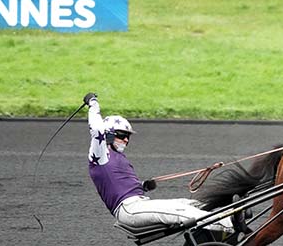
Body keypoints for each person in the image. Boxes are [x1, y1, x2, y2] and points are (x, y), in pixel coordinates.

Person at [85, 92, 234, 233]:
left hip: (139, 203)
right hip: (128, 209)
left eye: (128, 137)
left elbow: (118, 183)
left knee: (190, 204)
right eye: (122, 135)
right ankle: (230, 224)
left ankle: (231, 212)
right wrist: (93, 103)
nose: (126, 140)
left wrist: (143, 185)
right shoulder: (100, 154)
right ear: (109, 134)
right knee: (181, 212)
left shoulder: (118, 157)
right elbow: (97, 130)